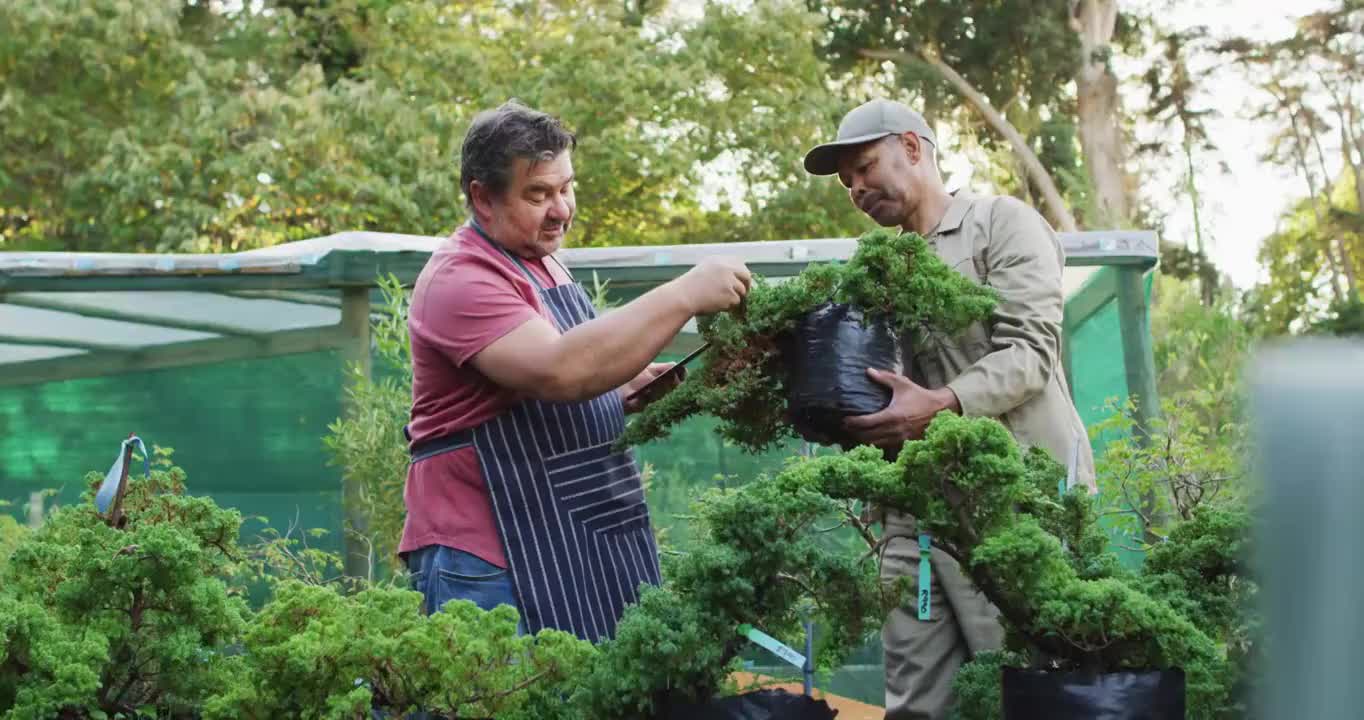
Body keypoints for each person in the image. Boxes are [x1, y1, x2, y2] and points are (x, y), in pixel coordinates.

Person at [399, 100, 751, 643]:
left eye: (566, 188)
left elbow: (569, 371)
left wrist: (621, 386)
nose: (561, 209)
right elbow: (561, 370)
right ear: (482, 197)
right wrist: (685, 294)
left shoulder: (544, 263)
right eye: (538, 194)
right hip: (491, 556)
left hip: (574, 541)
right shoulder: (461, 278)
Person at [802, 98, 1097, 719]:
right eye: (846, 180)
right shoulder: (874, 274)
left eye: (864, 166)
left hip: (1014, 501)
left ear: (913, 147)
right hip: (915, 519)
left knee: (1026, 685)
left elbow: (1030, 353)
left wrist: (940, 405)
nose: (855, 187)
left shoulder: (1001, 224)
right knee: (916, 700)